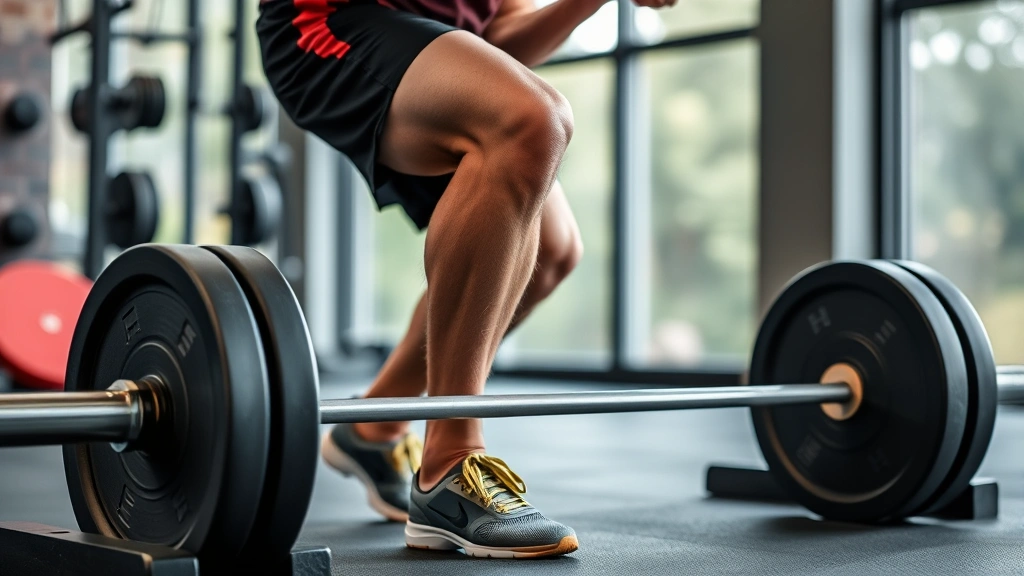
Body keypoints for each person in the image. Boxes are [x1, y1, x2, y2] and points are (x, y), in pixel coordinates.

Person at [256, 0, 675, 558]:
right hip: (326, 24)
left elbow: (498, 37)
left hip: (431, 43)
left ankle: (375, 428)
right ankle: (448, 465)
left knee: (552, 251)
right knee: (531, 117)